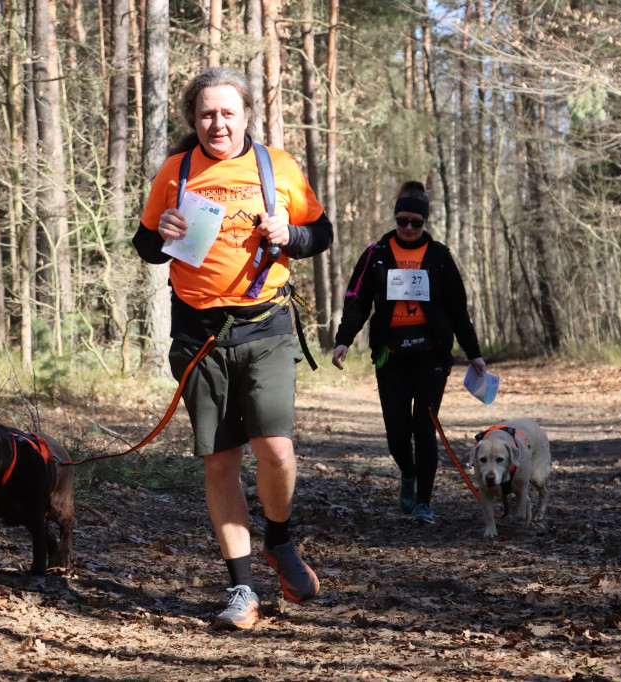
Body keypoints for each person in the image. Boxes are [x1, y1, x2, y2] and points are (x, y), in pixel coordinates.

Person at [133, 67, 333, 630]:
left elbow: (321, 233)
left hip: (265, 326)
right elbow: (146, 244)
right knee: (221, 461)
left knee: (275, 450)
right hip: (199, 336)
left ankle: (281, 539)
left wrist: (288, 235)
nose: (217, 123)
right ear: (193, 119)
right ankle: (241, 589)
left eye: (227, 113)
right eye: (206, 114)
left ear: (245, 115)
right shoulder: (176, 171)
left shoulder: (279, 168)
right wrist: (164, 230)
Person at [331, 181, 485, 525]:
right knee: (397, 432)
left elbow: (458, 309)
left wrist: (473, 352)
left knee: (424, 424)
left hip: (431, 352)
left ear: (426, 222)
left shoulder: (440, 257)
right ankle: (409, 472)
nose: (410, 228)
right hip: (391, 353)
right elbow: (356, 300)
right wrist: (344, 339)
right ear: (395, 218)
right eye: (403, 220)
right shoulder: (376, 253)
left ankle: (424, 504)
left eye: (417, 222)